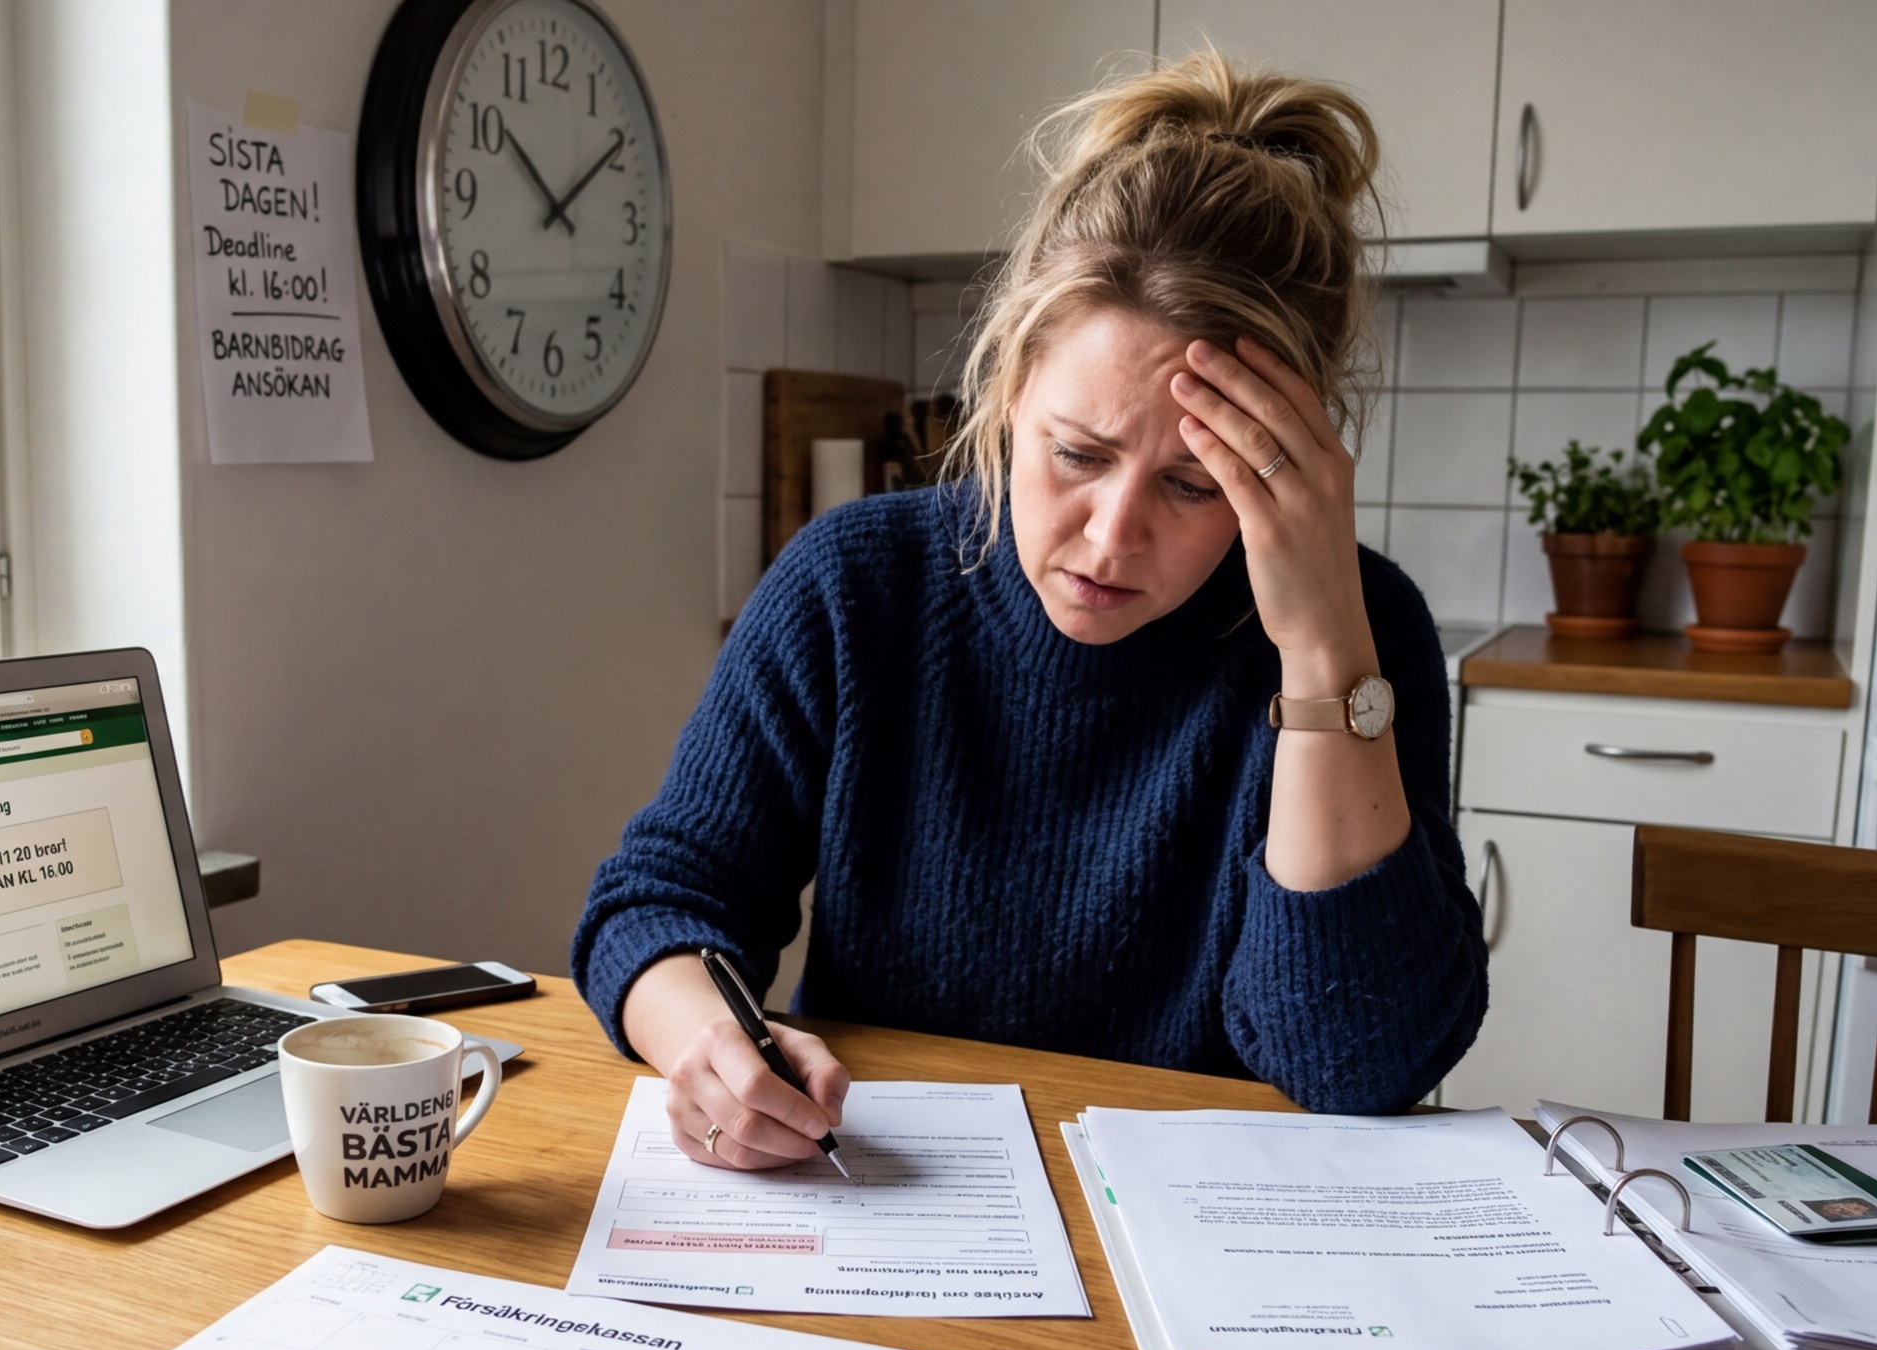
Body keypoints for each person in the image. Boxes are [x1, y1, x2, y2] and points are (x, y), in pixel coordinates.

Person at [571, 51, 1487, 1170]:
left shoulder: (1358, 631)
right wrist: (707, 1041)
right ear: (1007, 392)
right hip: (884, 1205)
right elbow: (658, 903)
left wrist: (1320, 647)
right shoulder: (855, 584)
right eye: (1076, 454)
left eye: (1194, 486)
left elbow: (1358, 1063)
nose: (1109, 537)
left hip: (1201, 1249)